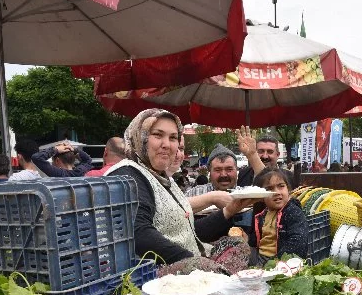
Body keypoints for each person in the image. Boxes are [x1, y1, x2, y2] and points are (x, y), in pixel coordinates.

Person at [105, 109, 253, 265]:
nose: (167, 145)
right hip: (157, 276)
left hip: (188, 262)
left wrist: (230, 210)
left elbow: (188, 233)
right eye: (157, 135)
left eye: (173, 138)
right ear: (139, 137)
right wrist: (197, 263)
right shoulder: (128, 174)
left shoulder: (163, 178)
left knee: (239, 246)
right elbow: (140, 235)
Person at [248, 168, 308, 266]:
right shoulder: (262, 214)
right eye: (269, 189)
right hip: (260, 258)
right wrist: (245, 238)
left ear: (288, 189)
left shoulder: (293, 212)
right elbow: (254, 242)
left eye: (281, 186)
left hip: (280, 262)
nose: (277, 192)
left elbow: (298, 241)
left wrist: (277, 263)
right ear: (261, 196)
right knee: (235, 244)